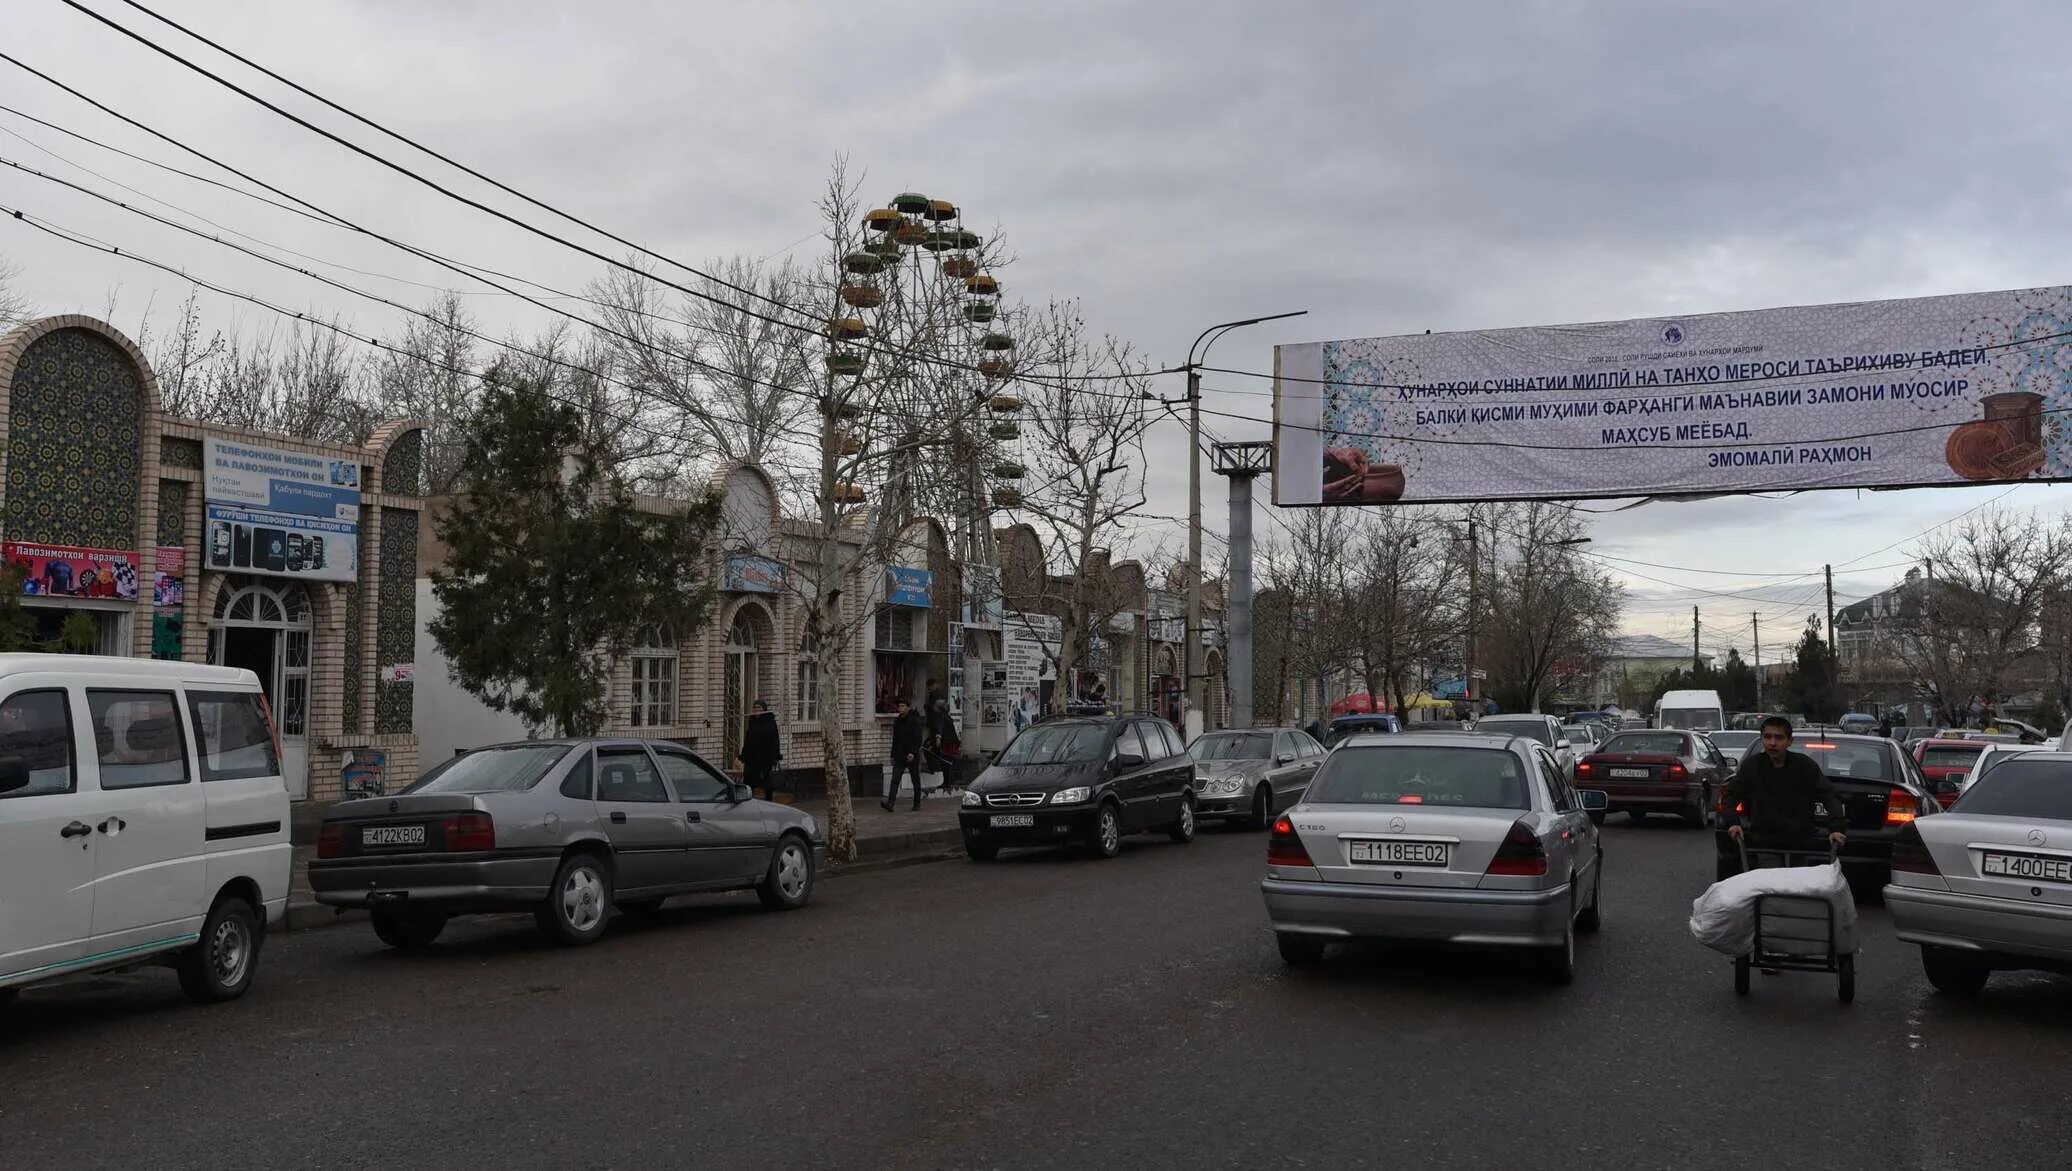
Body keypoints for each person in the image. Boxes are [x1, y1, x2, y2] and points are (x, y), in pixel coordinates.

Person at [1722, 716, 1847, 863]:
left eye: (1779, 738)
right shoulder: (1752, 766)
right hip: (1765, 841)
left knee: (1796, 884)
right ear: (1762, 738)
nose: (1772, 743)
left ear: (1789, 741)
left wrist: (1836, 828)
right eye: (1768, 737)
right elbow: (1731, 795)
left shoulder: (1805, 766)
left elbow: (1830, 796)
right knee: (1771, 882)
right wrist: (1733, 823)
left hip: (1800, 842)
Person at [883, 698, 925, 812]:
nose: (900, 708)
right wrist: (892, 754)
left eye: (903, 706)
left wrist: (913, 752)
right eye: (899, 706)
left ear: (908, 707)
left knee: (915, 779)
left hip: (911, 756)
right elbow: (895, 739)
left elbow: (918, 738)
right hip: (899, 755)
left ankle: (917, 803)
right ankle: (890, 803)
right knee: (895, 779)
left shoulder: (914, 720)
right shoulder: (897, 721)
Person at [740, 699, 781, 799]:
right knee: (749, 776)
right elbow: (748, 738)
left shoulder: (769, 721)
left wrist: (775, 756)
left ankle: (768, 797)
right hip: (752, 755)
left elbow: (774, 739)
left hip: (765, 755)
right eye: (754, 707)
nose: (756, 710)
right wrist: (744, 754)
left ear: (764, 709)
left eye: (759, 707)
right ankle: (748, 797)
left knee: (766, 778)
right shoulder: (753, 720)